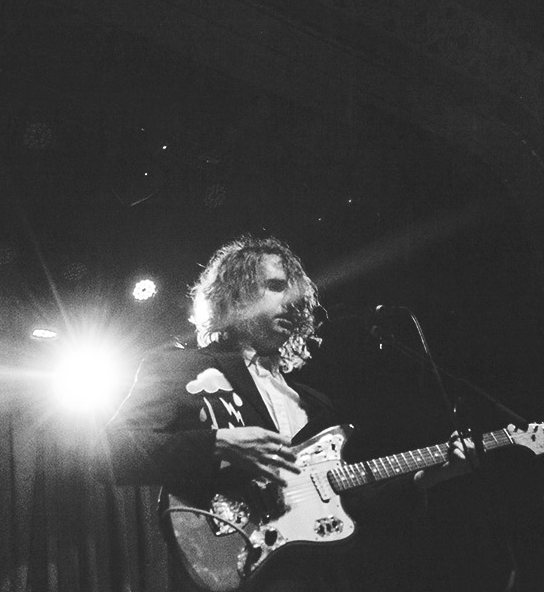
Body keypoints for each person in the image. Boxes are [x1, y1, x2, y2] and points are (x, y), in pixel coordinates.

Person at [106, 235, 468, 591]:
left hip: (313, 575)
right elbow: (109, 453)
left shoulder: (314, 403)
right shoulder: (179, 367)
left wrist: (425, 479)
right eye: (276, 287)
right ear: (235, 296)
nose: (293, 302)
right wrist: (217, 444)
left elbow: (343, 504)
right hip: (233, 554)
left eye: (297, 293)